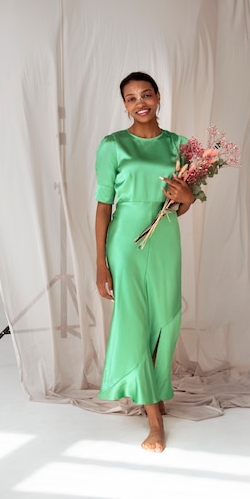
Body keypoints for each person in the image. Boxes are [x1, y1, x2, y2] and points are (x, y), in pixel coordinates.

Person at [94, 71, 195, 452]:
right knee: (135, 321)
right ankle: (154, 419)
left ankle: (151, 387)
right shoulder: (113, 145)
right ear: (124, 105)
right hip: (124, 242)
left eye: (146, 95)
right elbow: (104, 207)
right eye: (132, 98)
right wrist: (101, 263)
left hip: (165, 236)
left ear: (158, 98)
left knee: (166, 319)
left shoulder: (179, 146)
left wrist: (187, 197)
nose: (141, 103)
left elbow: (180, 207)